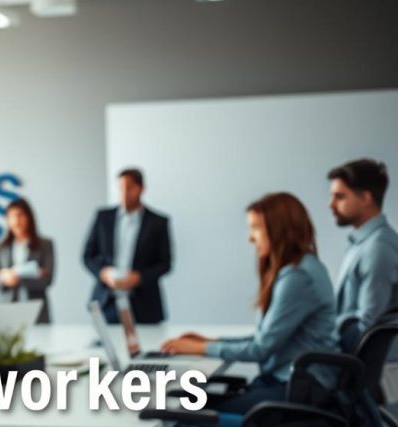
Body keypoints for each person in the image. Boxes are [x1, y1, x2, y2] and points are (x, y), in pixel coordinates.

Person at [162, 192, 338, 413]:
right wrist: (210, 341)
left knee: (181, 412)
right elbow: (265, 337)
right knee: (185, 402)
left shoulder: (298, 277)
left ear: (279, 229)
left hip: (298, 388)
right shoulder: (302, 268)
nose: (250, 238)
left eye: (256, 228)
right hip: (289, 381)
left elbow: (260, 349)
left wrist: (201, 348)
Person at [82, 168, 172, 324]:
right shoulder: (103, 218)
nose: (124, 193)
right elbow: (87, 256)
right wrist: (104, 273)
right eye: (121, 188)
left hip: (144, 305)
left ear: (141, 189)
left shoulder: (158, 222)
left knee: (148, 346)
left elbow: (165, 263)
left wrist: (139, 277)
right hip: (107, 302)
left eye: (129, 188)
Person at [327, 159, 398, 351]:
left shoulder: (378, 248)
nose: (331, 205)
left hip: (368, 368)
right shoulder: (361, 244)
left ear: (366, 198)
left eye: (339, 197)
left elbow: (369, 329)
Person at [0, 199, 56, 323]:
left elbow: (47, 280)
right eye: (11, 216)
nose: (16, 221)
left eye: (20, 215)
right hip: (5, 311)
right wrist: (4, 279)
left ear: (29, 217)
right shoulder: (1, 247)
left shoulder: (45, 245)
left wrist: (19, 278)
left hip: (36, 312)